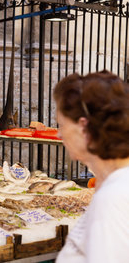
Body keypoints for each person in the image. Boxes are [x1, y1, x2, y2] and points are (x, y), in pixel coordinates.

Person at [54, 71, 129, 262]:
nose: (58, 135)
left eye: (61, 125)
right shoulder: (114, 184)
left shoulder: (113, 199)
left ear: (83, 127)